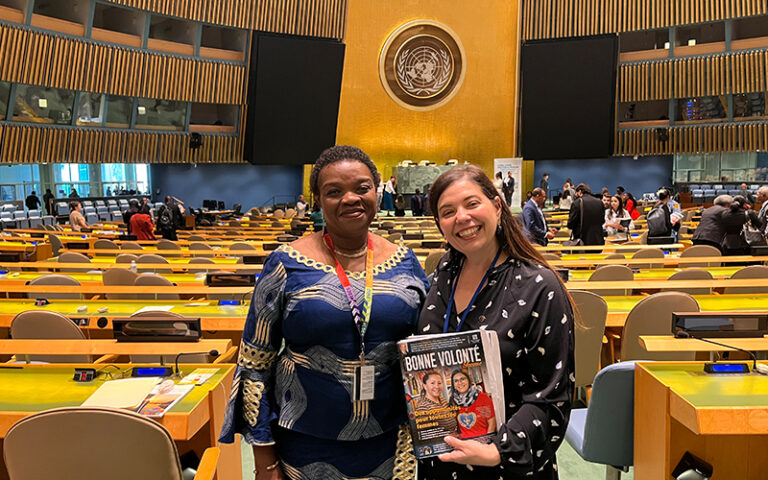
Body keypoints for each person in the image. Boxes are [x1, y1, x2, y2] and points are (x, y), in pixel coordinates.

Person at [219, 145, 430, 480]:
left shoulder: (406, 261)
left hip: (389, 438)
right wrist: (264, 458)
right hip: (305, 439)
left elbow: (428, 347)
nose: (351, 198)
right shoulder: (285, 264)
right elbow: (255, 365)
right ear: (317, 199)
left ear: (377, 191)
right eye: (334, 192)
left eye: (362, 188)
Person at [418, 165, 574, 479]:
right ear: (440, 225)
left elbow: (551, 397)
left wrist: (498, 452)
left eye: (472, 204)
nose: (462, 217)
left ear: (497, 206)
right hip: (442, 458)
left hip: (504, 466)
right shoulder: (441, 276)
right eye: (448, 212)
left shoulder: (539, 287)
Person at [449, 370, 496, 439]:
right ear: (454, 385)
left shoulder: (483, 398)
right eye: (456, 381)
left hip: (483, 440)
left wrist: (487, 440)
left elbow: (492, 423)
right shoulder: (453, 401)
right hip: (465, 442)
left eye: (462, 379)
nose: (460, 383)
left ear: (468, 380)